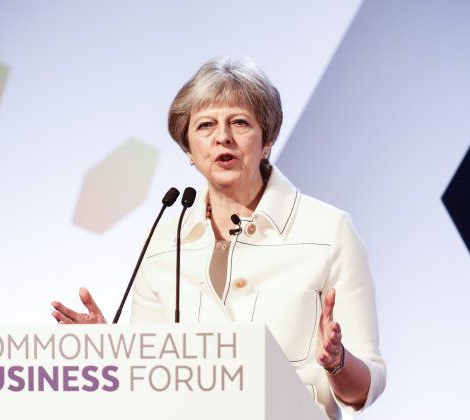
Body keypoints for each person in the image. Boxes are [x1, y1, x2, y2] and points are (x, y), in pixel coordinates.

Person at [52, 56, 386, 419]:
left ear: (267, 139)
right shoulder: (164, 240)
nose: (222, 137)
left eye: (240, 123)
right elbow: (148, 385)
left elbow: (364, 388)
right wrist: (114, 354)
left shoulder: (328, 230)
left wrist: (337, 363)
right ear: (189, 148)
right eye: (206, 125)